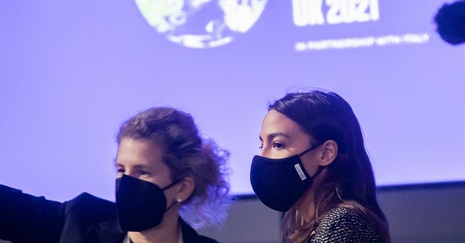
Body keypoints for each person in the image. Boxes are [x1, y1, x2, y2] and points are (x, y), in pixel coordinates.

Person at [0, 106, 230, 243]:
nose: (126, 183)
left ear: (182, 187)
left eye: (143, 172)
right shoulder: (80, 222)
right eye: (121, 170)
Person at [250, 90, 390, 243]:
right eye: (261, 144)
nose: (262, 156)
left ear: (326, 153)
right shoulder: (302, 224)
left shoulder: (342, 224)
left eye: (278, 145)